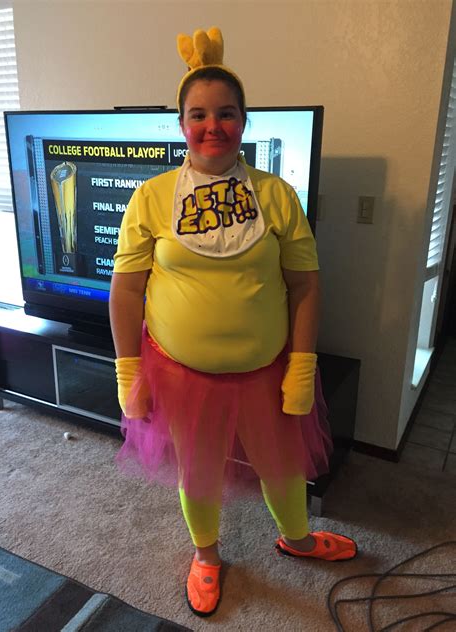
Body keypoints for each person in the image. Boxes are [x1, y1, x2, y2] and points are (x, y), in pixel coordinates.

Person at [109, 26, 357, 618]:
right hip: (179, 372)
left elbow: (304, 284)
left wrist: (302, 365)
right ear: (181, 125)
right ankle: (206, 556)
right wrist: (127, 370)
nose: (212, 125)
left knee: (283, 467)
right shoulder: (151, 197)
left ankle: (296, 539)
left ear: (244, 121)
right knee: (196, 473)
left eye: (226, 113)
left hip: (265, 370)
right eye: (198, 114)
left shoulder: (276, 195)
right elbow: (126, 289)